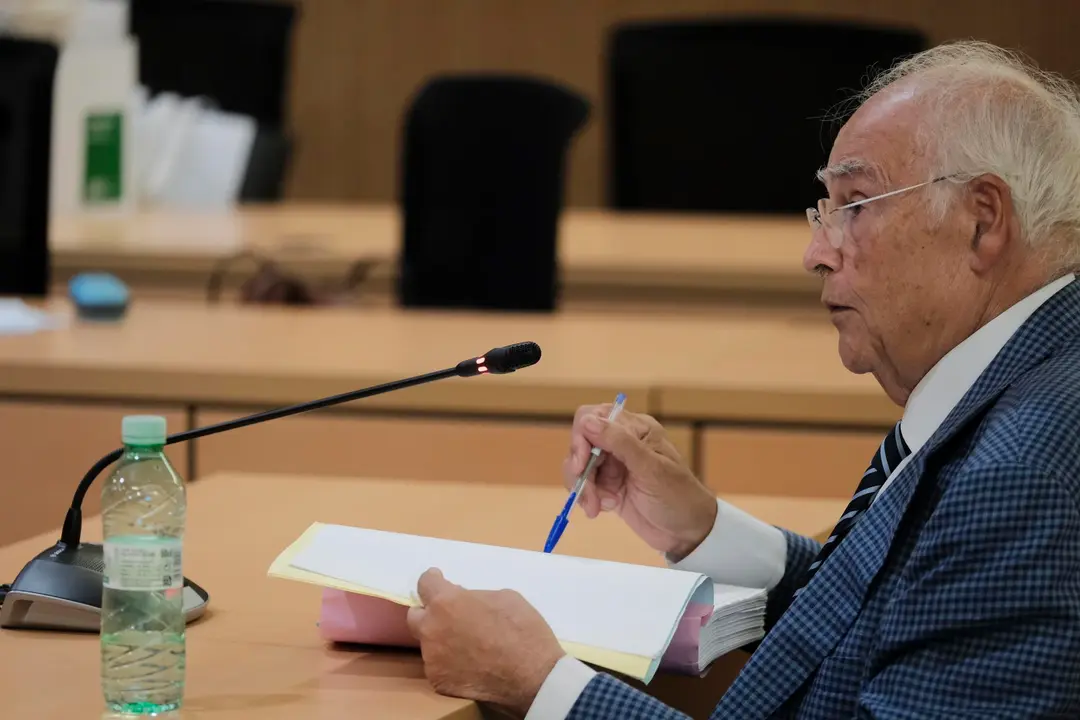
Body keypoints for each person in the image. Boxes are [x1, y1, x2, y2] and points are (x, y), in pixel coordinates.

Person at [405, 40, 1080, 718]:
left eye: (857, 204)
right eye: (825, 208)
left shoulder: (1021, 477)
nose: (817, 253)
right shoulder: (1028, 371)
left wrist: (542, 683)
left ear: (982, 221)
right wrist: (698, 527)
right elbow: (889, 605)